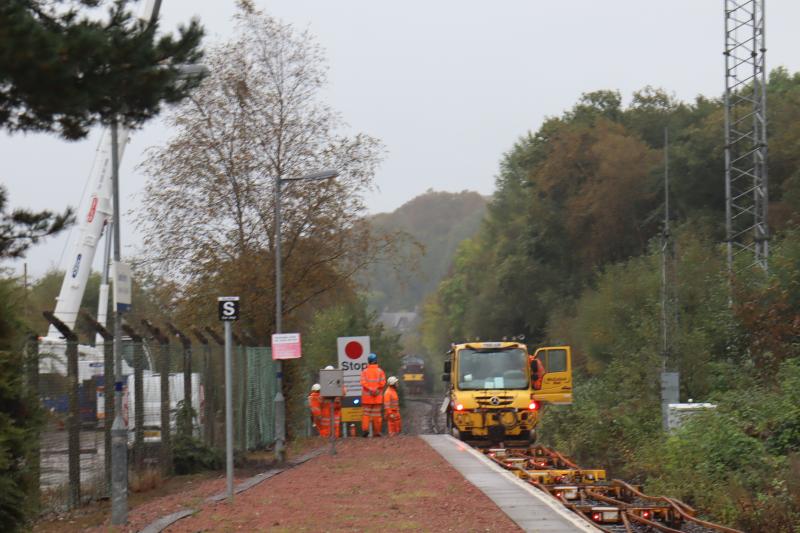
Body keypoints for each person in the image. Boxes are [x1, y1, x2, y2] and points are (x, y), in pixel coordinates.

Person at [360, 353, 386, 437]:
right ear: (376, 361)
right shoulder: (380, 371)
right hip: (377, 397)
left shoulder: (364, 371)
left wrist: (370, 389)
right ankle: (377, 432)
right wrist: (377, 390)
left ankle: (365, 430)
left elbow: (363, 382)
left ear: (368, 361)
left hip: (367, 398)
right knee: (377, 416)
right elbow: (383, 383)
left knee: (366, 415)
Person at [319, 365, 342, 438]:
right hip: (333, 407)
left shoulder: (324, 382)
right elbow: (343, 391)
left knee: (328, 423)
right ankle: (333, 437)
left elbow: (321, 396)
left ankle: (327, 437)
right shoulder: (337, 380)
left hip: (330, 407)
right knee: (334, 423)